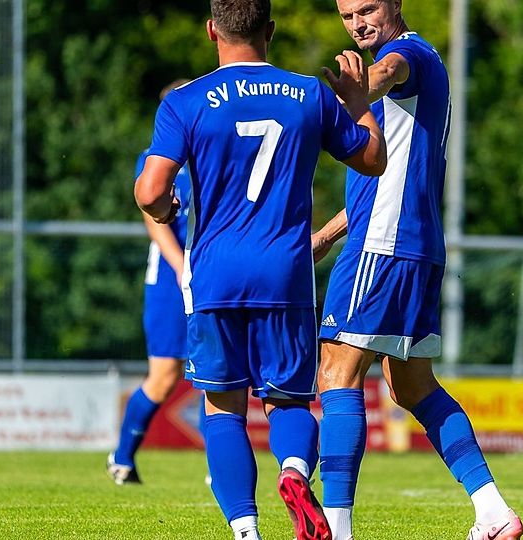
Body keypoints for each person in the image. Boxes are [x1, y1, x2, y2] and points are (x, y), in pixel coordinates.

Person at [134, 0, 386, 538]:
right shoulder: (309, 94)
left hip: (216, 274)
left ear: (210, 31)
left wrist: (164, 211)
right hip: (285, 272)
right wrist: (360, 101)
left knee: (223, 407)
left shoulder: (185, 101)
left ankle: (246, 530)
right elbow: (372, 160)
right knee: (289, 400)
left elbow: (151, 191)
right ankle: (294, 471)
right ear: (269, 30)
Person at [311, 1, 523, 539]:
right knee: (411, 387)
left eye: (367, 9)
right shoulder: (421, 62)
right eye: (346, 15)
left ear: (395, 2)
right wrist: (325, 236)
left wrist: (355, 91)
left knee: (336, 372)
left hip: (382, 248)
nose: (358, 22)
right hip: (417, 247)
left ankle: (335, 529)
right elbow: (381, 181)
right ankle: (493, 512)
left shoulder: (405, 54)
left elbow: (386, 73)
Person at [107, 79, 198, 486]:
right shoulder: (156, 157)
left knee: (226, 370)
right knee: (164, 375)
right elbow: (154, 218)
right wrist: (181, 268)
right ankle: (122, 457)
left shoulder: (211, 151)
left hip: (214, 271)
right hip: (169, 277)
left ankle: (221, 471)